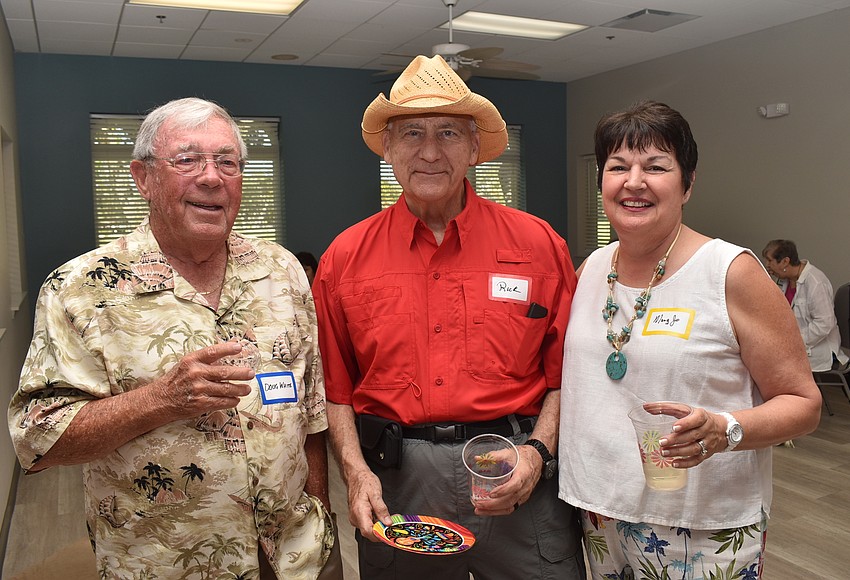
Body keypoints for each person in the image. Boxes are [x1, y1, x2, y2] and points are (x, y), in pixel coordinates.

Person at [8, 97, 338, 580]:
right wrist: (160, 400)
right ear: (143, 178)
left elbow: (310, 409)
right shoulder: (79, 290)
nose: (212, 177)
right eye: (187, 160)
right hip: (165, 562)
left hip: (296, 556)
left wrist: (322, 512)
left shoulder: (282, 270)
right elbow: (37, 440)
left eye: (227, 162)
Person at [312, 55, 585, 579]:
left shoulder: (538, 245)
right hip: (400, 482)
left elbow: (568, 374)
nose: (430, 152)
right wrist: (355, 471)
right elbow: (335, 387)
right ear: (387, 147)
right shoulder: (345, 258)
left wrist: (538, 454)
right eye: (412, 133)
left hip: (518, 469)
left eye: (449, 133)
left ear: (475, 148)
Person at [558, 101, 822, 578]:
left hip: (700, 525)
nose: (634, 182)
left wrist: (725, 429)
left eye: (656, 166)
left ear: (688, 183)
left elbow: (804, 403)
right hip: (599, 512)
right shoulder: (591, 268)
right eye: (618, 166)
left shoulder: (730, 272)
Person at [762, 239, 848, 372]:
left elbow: (825, 323)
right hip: (792, 343)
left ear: (785, 261)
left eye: (769, 260)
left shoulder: (815, 282)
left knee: (767, 363)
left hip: (816, 349)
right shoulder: (784, 281)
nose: (767, 265)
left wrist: (794, 341)